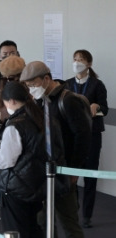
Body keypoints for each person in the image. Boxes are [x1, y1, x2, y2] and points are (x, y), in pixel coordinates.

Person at [20, 61, 92, 238]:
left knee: (69, 222)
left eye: (33, 84)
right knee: (43, 221)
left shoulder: (68, 100)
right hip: (42, 172)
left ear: (46, 79)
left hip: (64, 171)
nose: (31, 89)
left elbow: (82, 137)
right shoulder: (38, 101)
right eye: (28, 86)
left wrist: (74, 170)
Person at [0, 82, 47, 238]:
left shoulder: (15, 126)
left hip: (15, 187)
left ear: (12, 101)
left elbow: (6, 161)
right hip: (36, 183)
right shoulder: (40, 117)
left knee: (16, 231)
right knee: (33, 229)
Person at [65, 49, 108, 228]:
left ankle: (87, 215)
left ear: (89, 63)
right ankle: (72, 211)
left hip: (92, 135)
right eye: (74, 59)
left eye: (80, 60)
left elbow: (104, 109)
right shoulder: (67, 84)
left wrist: (96, 106)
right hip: (72, 136)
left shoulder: (97, 85)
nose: (77, 63)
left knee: (90, 176)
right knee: (72, 176)